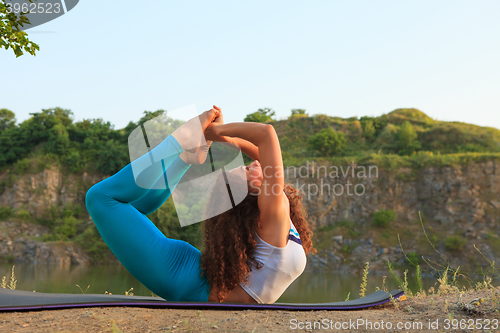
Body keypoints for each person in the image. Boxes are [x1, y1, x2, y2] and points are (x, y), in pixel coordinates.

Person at [85, 106, 315, 304]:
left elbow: (266, 135)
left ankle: (178, 141)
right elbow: (263, 148)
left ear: (253, 192)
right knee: (124, 206)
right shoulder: (276, 212)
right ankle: (187, 157)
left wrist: (213, 131)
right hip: (191, 273)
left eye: (246, 168)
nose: (255, 162)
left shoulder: (273, 212)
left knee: (100, 198)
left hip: (185, 280)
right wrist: (226, 139)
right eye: (248, 167)